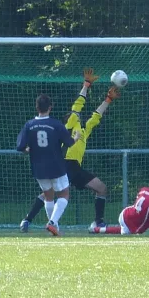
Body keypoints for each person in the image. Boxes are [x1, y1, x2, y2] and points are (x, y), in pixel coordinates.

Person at [19, 68, 120, 233]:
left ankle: (98, 222)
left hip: (76, 168)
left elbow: (96, 115)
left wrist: (108, 100)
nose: (77, 116)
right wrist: (86, 86)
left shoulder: (84, 130)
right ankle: (28, 220)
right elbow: (77, 106)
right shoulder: (67, 126)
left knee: (101, 188)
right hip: (63, 165)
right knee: (48, 195)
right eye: (73, 116)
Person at [16, 94, 81, 236]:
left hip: (38, 168)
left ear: (36, 107)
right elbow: (69, 143)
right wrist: (76, 138)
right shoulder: (55, 124)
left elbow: (20, 146)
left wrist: (28, 150)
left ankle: (54, 226)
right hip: (56, 165)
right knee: (64, 194)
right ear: (50, 107)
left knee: (48, 196)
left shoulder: (29, 125)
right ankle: (52, 222)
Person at [92, 170, 149, 235]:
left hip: (126, 213)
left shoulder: (144, 190)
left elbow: (143, 213)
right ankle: (95, 229)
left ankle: (95, 229)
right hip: (132, 221)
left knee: (125, 230)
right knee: (126, 233)